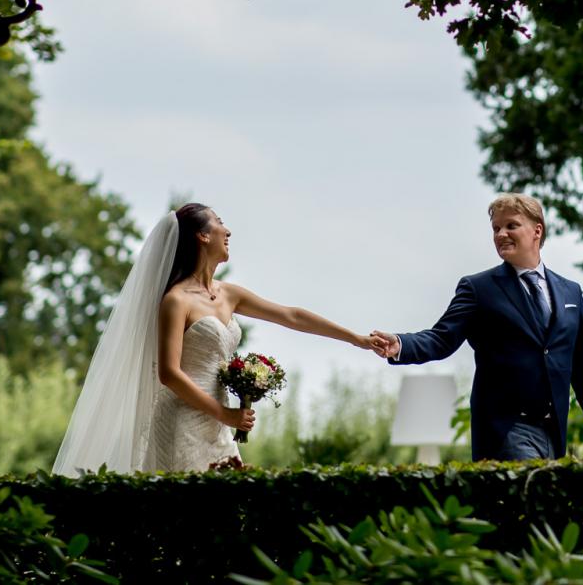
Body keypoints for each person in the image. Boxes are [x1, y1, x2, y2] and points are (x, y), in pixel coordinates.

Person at [54, 202, 376, 474]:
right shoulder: (176, 301)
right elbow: (169, 373)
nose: (229, 231)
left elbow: (290, 316)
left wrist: (355, 338)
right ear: (203, 236)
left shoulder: (229, 294)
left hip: (220, 424)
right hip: (184, 420)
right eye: (220, 223)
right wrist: (224, 414)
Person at [371, 193, 583, 462]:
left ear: (537, 230)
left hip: (554, 433)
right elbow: (442, 338)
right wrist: (400, 344)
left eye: (511, 225)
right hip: (506, 430)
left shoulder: (571, 292)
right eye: (496, 228)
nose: (501, 234)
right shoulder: (479, 289)